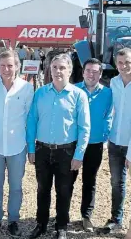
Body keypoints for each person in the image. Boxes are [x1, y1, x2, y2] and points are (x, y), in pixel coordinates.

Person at [27, 53, 90, 239]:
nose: (58, 71)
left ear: (70, 70)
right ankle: (41, 224)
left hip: (67, 152)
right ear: (49, 70)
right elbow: (32, 121)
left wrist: (79, 155)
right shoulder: (40, 93)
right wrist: (31, 148)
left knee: (64, 191)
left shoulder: (79, 96)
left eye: (62, 67)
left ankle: (61, 226)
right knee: (42, 190)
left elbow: (84, 128)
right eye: (54, 67)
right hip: (42, 150)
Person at [0, 50, 34, 237]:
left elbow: (30, 120)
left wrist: (31, 148)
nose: (6, 69)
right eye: (3, 65)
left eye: (10, 65)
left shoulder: (27, 88)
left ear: (17, 66)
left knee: (16, 187)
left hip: (18, 147)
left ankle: (13, 220)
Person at [71, 58, 113, 232]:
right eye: (88, 70)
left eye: (96, 71)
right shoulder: (73, 90)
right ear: (83, 72)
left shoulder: (107, 93)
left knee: (90, 181)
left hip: (95, 144)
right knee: (68, 180)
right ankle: (62, 214)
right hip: (74, 143)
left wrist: (104, 136)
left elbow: (109, 115)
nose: (91, 74)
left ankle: (86, 216)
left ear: (101, 74)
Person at [105, 48, 131, 234]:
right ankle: (116, 219)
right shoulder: (113, 83)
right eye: (120, 63)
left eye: (128, 62)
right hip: (115, 142)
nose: (124, 66)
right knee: (117, 182)